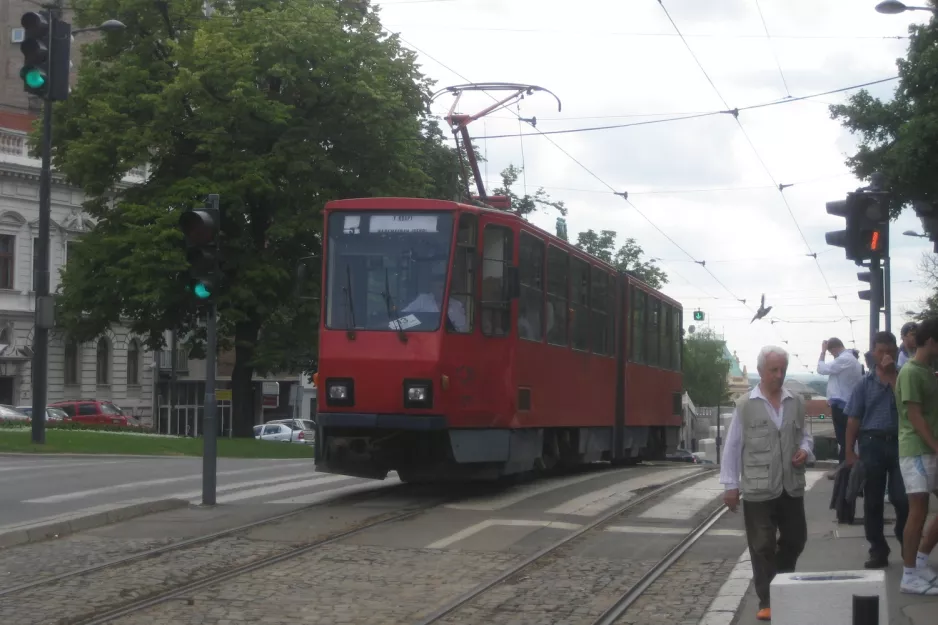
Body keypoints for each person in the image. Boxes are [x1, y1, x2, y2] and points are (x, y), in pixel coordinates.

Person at [721, 345, 814, 621]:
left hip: (791, 485)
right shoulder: (745, 405)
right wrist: (730, 485)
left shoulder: (795, 401)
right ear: (761, 371)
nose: (779, 375)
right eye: (773, 370)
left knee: (796, 539)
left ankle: (781, 584)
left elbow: (805, 436)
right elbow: (732, 447)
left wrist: (806, 451)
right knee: (761, 544)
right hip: (758, 487)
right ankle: (768, 599)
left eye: (782, 369)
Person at [844, 331, 908, 569]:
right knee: (872, 501)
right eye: (881, 352)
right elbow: (853, 419)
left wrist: (892, 375)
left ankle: (905, 538)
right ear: (873, 353)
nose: (885, 356)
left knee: (903, 498)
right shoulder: (864, 384)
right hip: (872, 443)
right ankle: (878, 549)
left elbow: (906, 405)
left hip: (901, 442)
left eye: (890, 351)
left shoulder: (902, 378)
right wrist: (850, 451)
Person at [894, 317, 938, 595]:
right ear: (932, 341)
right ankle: (909, 574)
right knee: (918, 511)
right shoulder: (910, 372)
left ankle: (920, 561)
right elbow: (914, 416)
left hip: (927, 448)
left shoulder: (925, 370)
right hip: (917, 449)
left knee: (920, 510)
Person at [818, 337, 863, 465]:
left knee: (843, 439)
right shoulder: (850, 359)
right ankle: (845, 466)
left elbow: (821, 369)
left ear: (834, 348)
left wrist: (822, 352)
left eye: (831, 352)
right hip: (846, 403)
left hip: (842, 404)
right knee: (846, 439)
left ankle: (844, 467)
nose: (832, 356)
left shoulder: (844, 359)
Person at [401, 275, 468, 332]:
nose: (440, 291)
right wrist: (419, 320)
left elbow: (464, 329)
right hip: (422, 337)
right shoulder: (423, 300)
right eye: (436, 288)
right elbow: (403, 316)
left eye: (442, 287)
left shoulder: (456, 305)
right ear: (432, 289)